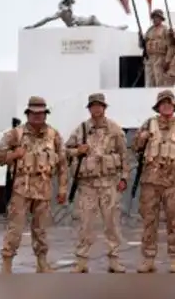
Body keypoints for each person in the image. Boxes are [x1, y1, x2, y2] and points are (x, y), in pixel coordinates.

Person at [0, 96, 68, 273]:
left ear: (45, 114)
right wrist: (14, 155)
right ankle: (7, 263)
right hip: (21, 188)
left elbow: (62, 163)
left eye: (41, 113)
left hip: (44, 188)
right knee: (15, 228)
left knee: (41, 229)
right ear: (27, 114)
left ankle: (42, 263)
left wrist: (63, 188)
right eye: (34, 113)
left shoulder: (54, 135)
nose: (37, 116)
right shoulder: (16, 134)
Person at [132, 90, 175, 273]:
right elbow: (135, 148)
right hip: (151, 182)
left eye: (169, 103)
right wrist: (141, 138)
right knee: (149, 221)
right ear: (158, 107)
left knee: (174, 221)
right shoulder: (149, 124)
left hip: (174, 182)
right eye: (163, 103)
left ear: (174, 106)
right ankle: (148, 259)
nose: (166, 106)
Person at [66, 93, 130, 273]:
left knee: (112, 224)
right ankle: (81, 261)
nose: (96, 109)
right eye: (93, 106)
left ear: (104, 108)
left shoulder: (115, 130)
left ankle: (114, 260)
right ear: (89, 108)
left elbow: (124, 155)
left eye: (99, 105)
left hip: (109, 183)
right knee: (85, 224)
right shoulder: (81, 130)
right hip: (88, 185)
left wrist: (124, 178)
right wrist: (78, 151)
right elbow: (66, 151)